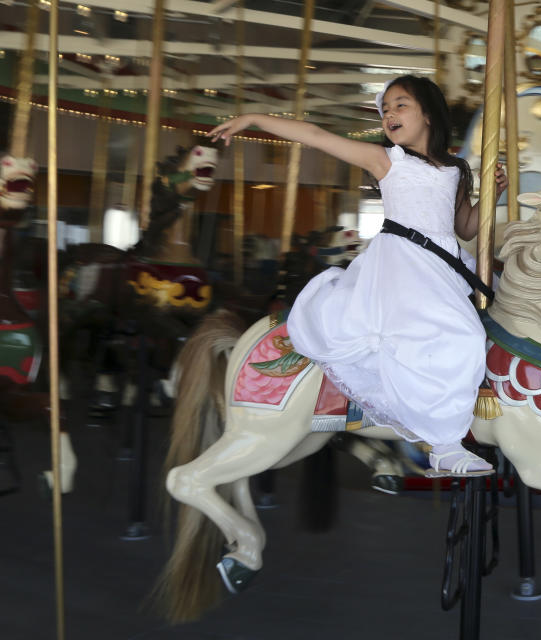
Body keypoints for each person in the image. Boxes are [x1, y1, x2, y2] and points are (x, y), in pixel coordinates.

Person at [209, 75, 507, 477]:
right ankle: (444, 443)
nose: (389, 115)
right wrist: (255, 118)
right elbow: (315, 135)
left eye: (401, 105)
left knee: (482, 329)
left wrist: (493, 196)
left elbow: (466, 227)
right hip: (403, 263)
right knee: (462, 334)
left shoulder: (455, 169)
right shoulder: (387, 160)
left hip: (443, 263)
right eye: (385, 110)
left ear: (428, 115)